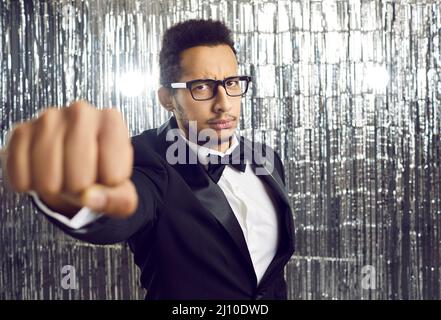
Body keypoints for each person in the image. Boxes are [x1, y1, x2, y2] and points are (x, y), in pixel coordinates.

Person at [3, 19, 295, 299]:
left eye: (231, 82)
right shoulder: (146, 159)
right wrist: (72, 196)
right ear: (167, 98)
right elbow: (119, 210)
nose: (223, 103)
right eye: (201, 87)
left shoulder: (266, 159)